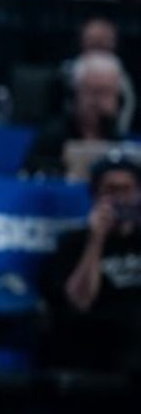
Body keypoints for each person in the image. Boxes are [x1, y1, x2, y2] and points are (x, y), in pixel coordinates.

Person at [39, 149, 141, 375]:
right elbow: (80, 301)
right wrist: (96, 240)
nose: (120, 198)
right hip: (98, 338)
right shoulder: (73, 243)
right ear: (95, 196)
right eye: (111, 190)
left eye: (127, 190)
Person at [23, 52, 128, 180]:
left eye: (105, 92)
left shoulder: (119, 141)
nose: (97, 101)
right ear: (74, 95)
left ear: (119, 99)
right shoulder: (52, 137)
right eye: (91, 91)